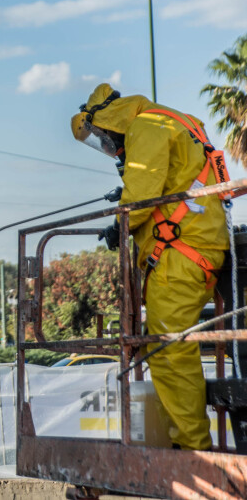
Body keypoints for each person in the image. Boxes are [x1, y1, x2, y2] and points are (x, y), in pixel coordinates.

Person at [71, 83, 230, 451]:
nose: (108, 147)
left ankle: (192, 447)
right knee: (166, 345)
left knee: (169, 350)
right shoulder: (178, 120)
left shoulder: (145, 126)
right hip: (197, 247)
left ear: (110, 121)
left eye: (103, 138)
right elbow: (173, 178)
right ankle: (189, 440)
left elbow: (141, 196)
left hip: (180, 253)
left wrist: (119, 224)